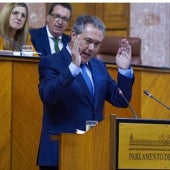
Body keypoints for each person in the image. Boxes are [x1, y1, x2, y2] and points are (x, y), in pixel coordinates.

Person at [37, 15, 135, 170]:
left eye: (97, 44)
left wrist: (123, 70)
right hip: (61, 153)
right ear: (74, 36)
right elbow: (48, 96)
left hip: (95, 152)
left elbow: (121, 101)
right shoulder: (51, 62)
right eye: (88, 41)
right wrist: (73, 68)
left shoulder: (99, 66)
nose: (92, 48)